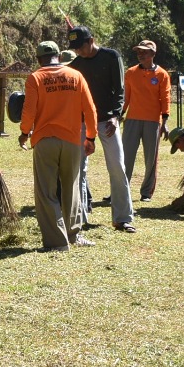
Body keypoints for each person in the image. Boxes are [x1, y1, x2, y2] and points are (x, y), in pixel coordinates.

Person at [18, 41, 98, 251]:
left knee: (46, 192)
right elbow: (90, 109)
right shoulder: (76, 76)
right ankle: (73, 235)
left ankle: (57, 242)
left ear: (38, 59)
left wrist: (25, 133)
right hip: (73, 141)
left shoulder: (36, 77)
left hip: (45, 140)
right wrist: (90, 137)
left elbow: (29, 111)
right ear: (58, 56)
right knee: (71, 188)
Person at [66, 26, 135, 233]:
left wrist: (116, 116)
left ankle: (123, 218)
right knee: (78, 169)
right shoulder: (75, 65)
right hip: (82, 122)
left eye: (80, 47)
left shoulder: (111, 57)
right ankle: (78, 218)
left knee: (117, 167)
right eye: (74, 48)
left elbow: (120, 90)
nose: (78, 51)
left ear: (91, 40)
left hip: (107, 122)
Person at [121, 39, 170, 202]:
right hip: (132, 120)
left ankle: (146, 192)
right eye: (138, 52)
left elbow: (165, 98)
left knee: (150, 159)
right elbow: (125, 97)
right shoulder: (130, 73)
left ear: (153, 54)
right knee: (125, 156)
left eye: (144, 52)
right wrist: (120, 115)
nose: (140, 54)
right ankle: (121, 189)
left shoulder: (162, 74)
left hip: (152, 122)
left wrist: (165, 122)